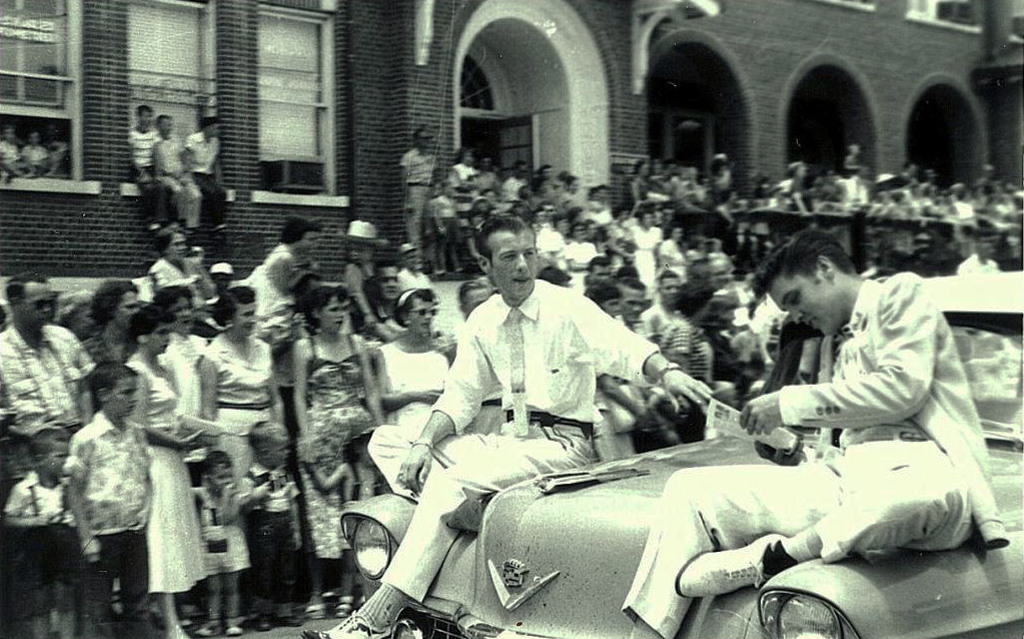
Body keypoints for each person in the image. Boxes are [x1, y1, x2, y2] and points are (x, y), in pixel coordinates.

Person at [306, 215, 713, 639]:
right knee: (388, 440)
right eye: (509, 257)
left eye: (529, 254)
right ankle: (468, 509)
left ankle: (376, 617)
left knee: (451, 483)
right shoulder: (482, 319)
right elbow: (460, 397)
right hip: (506, 445)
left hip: (563, 447)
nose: (522, 265)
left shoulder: (567, 306)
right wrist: (423, 443)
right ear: (485, 266)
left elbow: (624, 348)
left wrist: (668, 373)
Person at [622, 229, 1008, 639]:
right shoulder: (829, 341)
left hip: (928, 470)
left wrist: (787, 402)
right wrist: (794, 450)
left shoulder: (900, 293)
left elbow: (902, 388)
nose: (795, 316)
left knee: (915, 493)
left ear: (824, 269)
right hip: (845, 482)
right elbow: (842, 435)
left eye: (794, 299)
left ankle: (772, 557)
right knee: (689, 490)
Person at [293, 285, 381, 618]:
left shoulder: (357, 344)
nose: (340, 313)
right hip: (323, 435)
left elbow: (370, 391)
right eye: (332, 308)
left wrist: (380, 431)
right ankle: (317, 592)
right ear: (316, 313)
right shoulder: (305, 348)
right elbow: (300, 396)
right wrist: (306, 436)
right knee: (321, 515)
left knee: (358, 508)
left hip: (357, 436)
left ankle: (358, 587)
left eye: (343, 307)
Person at [127, 305, 207, 639]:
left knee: (174, 537)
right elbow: (138, 425)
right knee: (160, 539)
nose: (167, 340)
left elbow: (172, 415)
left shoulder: (162, 367)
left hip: (173, 459)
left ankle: (171, 616)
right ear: (143, 335)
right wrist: (176, 443)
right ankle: (169, 621)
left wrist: (196, 431)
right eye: (161, 333)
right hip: (154, 461)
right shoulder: (136, 371)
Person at [66, 363, 153, 639]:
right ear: (103, 394)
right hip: (101, 535)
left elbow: (146, 476)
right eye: (126, 393)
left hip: (133, 531)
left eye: (135, 393)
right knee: (99, 608)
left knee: (137, 602)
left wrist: (146, 511)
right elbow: (74, 491)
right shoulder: (86, 438)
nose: (133, 400)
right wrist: (85, 537)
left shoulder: (137, 433)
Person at [199, 287, 283, 485]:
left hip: (266, 436)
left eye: (254, 313)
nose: (253, 319)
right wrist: (215, 454)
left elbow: (276, 400)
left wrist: (277, 433)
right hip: (231, 436)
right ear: (229, 319)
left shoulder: (263, 348)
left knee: (273, 491)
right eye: (246, 315)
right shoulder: (212, 355)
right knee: (239, 491)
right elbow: (208, 410)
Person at [3, 429, 78, 639]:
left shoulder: (65, 487)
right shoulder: (24, 489)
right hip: (36, 555)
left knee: (66, 602)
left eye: (67, 455)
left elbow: (75, 513)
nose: (66, 461)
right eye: (60, 456)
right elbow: (8, 519)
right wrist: (34, 521)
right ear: (40, 459)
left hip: (62, 552)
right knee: (40, 605)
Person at [0, 273, 93, 438]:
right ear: (15, 304)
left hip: (77, 435)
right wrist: (27, 432)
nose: (47, 309)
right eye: (39, 304)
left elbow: (86, 385)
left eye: (51, 302)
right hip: (31, 446)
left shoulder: (65, 338)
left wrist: (86, 427)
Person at [241, 421, 303, 631]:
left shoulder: (285, 474)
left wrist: (296, 529)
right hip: (263, 529)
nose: (287, 452)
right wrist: (254, 497)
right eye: (283, 448)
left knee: (287, 570)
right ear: (265, 451)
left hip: (285, 524)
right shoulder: (251, 477)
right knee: (263, 571)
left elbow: (293, 501)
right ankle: (263, 613)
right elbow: (244, 507)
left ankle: (285, 611)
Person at [374, 289, 449, 447]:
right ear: (405, 317)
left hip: (440, 433)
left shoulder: (442, 353)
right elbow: (382, 400)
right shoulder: (386, 353)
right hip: (402, 434)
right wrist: (417, 396)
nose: (428, 317)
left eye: (432, 312)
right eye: (421, 312)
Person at [193, 451, 250, 638]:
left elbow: (225, 518)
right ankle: (213, 622)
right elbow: (186, 491)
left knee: (231, 588)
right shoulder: (204, 494)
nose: (226, 481)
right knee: (213, 589)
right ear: (208, 479)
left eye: (228, 476)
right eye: (220, 477)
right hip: (210, 550)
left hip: (231, 549)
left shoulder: (234, 496)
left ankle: (232, 621)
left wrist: (226, 496)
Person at [154, 114, 202, 229]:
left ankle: (192, 227)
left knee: (196, 195)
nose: (169, 128)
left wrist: (185, 173)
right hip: (167, 176)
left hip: (181, 175)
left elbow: (185, 159)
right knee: (178, 191)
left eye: (170, 125)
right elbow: (158, 169)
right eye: (166, 125)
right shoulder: (156, 143)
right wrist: (165, 176)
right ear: (158, 126)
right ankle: (181, 223)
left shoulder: (177, 141)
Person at [148, 228, 216, 304]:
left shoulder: (191, 263)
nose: (183, 248)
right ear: (165, 249)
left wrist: (198, 267)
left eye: (183, 244)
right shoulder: (157, 269)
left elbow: (210, 293)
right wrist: (190, 281)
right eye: (177, 244)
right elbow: (163, 296)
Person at [83, 279, 140, 367]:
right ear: (110, 309)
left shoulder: (142, 345)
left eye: (138, 306)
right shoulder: (88, 349)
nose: (137, 311)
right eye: (130, 307)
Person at [129, 105, 168, 229]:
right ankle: (149, 218)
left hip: (150, 167)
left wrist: (157, 173)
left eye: (150, 116)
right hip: (137, 168)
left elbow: (156, 155)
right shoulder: (131, 134)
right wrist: (141, 172)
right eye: (145, 116)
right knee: (148, 187)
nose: (148, 119)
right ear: (138, 117)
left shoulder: (154, 135)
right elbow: (130, 157)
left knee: (161, 186)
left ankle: (160, 220)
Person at [185, 116, 228, 232]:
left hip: (208, 175)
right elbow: (187, 160)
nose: (217, 131)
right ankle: (218, 224)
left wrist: (220, 182)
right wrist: (189, 180)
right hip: (195, 174)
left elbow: (215, 163)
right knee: (211, 192)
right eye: (214, 128)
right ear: (206, 128)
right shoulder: (192, 139)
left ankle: (219, 223)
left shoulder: (215, 142)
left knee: (222, 193)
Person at [400, 127, 436, 250]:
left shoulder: (431, 158)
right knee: (414, 226)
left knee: (430, 226)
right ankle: (417, 263)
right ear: (416, 140)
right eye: (423, 138)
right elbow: (404, 178)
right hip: (414, 190)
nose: (427, 141)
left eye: (429, 138)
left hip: (429, 190)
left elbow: (434, 175)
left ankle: (430, 262)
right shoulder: (409, 157)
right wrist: (407, 200)